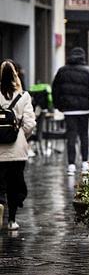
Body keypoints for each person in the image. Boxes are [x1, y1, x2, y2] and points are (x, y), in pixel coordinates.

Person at [0, 59, 36, 230]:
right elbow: (30, 124)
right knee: (15, 184)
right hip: (17, 150)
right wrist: (22, 136)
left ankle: (0, 203)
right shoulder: (23, 96)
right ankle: (12, 220)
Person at [52, 47, 89, 176]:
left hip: (69, 109)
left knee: (71, 136)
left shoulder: (62, 71)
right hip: (84, 109)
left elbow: (55, 90)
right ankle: (85, 163)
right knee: (84, 135)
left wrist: (58, 105)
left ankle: (71, 165)